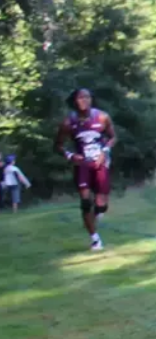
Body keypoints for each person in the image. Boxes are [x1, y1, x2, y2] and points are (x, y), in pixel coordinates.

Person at [54, 88, 117, 251]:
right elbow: (58, 145)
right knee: (85, 202)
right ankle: (95, 239)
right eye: (80, 98)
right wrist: (70, 155)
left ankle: (94, 217)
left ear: (91, 99)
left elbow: (113, 137)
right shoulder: (68, 122)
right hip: (82, 164)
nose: (84, 100)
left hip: (100, 162)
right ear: (74, 101)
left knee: (101, 204)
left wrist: (105, 151)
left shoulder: (102, 117)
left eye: (87, 97)